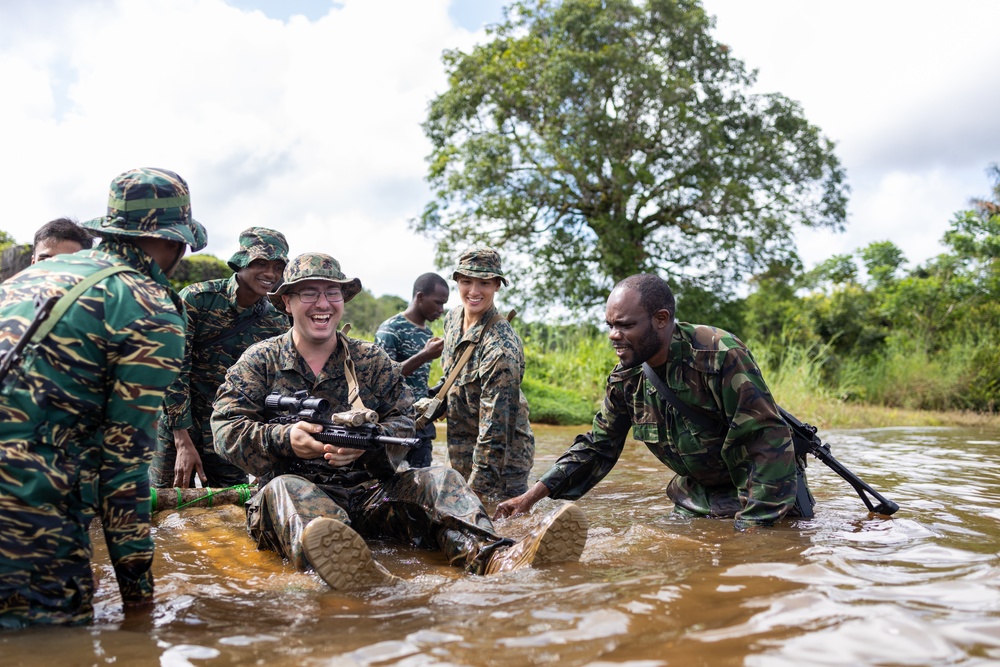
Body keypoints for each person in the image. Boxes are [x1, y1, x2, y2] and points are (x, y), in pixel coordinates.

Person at [211, 253, 587, 592]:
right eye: (309, 293)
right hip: (295, 503)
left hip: (369, 496)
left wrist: (367, 443)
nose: (323, 304)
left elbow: (405, 420)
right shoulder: (259, 361)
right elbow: (225, 427)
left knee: (440, 479)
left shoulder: (370, 360)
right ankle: (354, 571)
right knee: (286, 489)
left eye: (333, 293)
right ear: (287, 302)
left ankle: (494, 557)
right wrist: (284, 438)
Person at [0, 167, 207, 628]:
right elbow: (123, 468)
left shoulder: (36, 276)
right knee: (45, 651)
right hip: (22, 502)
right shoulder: (148, 308)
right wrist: (138, 598)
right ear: (172, 242)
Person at [495, 273, 811, 531]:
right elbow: (597, 447)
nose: (613, 335)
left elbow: (765, 441)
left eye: (626, 325)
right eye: (610, 325)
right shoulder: (626, 378)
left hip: (758, 497)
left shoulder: (719, 355)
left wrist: (752, 534)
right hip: (696, 499)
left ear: (661, 319)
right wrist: (531, 497)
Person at [151, 227, 290, 489]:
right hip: (179, 425)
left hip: (230, 431)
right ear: (241, 261)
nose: (270, 274)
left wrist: (263, 454)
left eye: (278, 266)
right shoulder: (198, 299)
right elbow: (173, 369)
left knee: (232, 508)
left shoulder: (277, 319)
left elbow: (273, 386)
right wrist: (182, 439)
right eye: (260, 263)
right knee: (164, 506)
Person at [440, 246, 534, 502]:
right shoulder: (452, 319)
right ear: (457, 281)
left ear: (497, 286)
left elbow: (497, 429)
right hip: (460, 446)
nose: (474, 291)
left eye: (484, 283)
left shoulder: (501, 347)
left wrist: (478, 490)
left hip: (502, 461)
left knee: (499, 525)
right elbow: (452, 376)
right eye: (467, 281)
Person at [374, 272, 449, 468]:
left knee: (423, 482)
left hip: (421, 423)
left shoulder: (428, 333)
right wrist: (424, 355)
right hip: (394, 423)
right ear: (420, 297)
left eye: (444, 304)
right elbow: (382, 379)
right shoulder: (390, 330)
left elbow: (419, 382)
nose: (441, 309)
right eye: (438, 303)